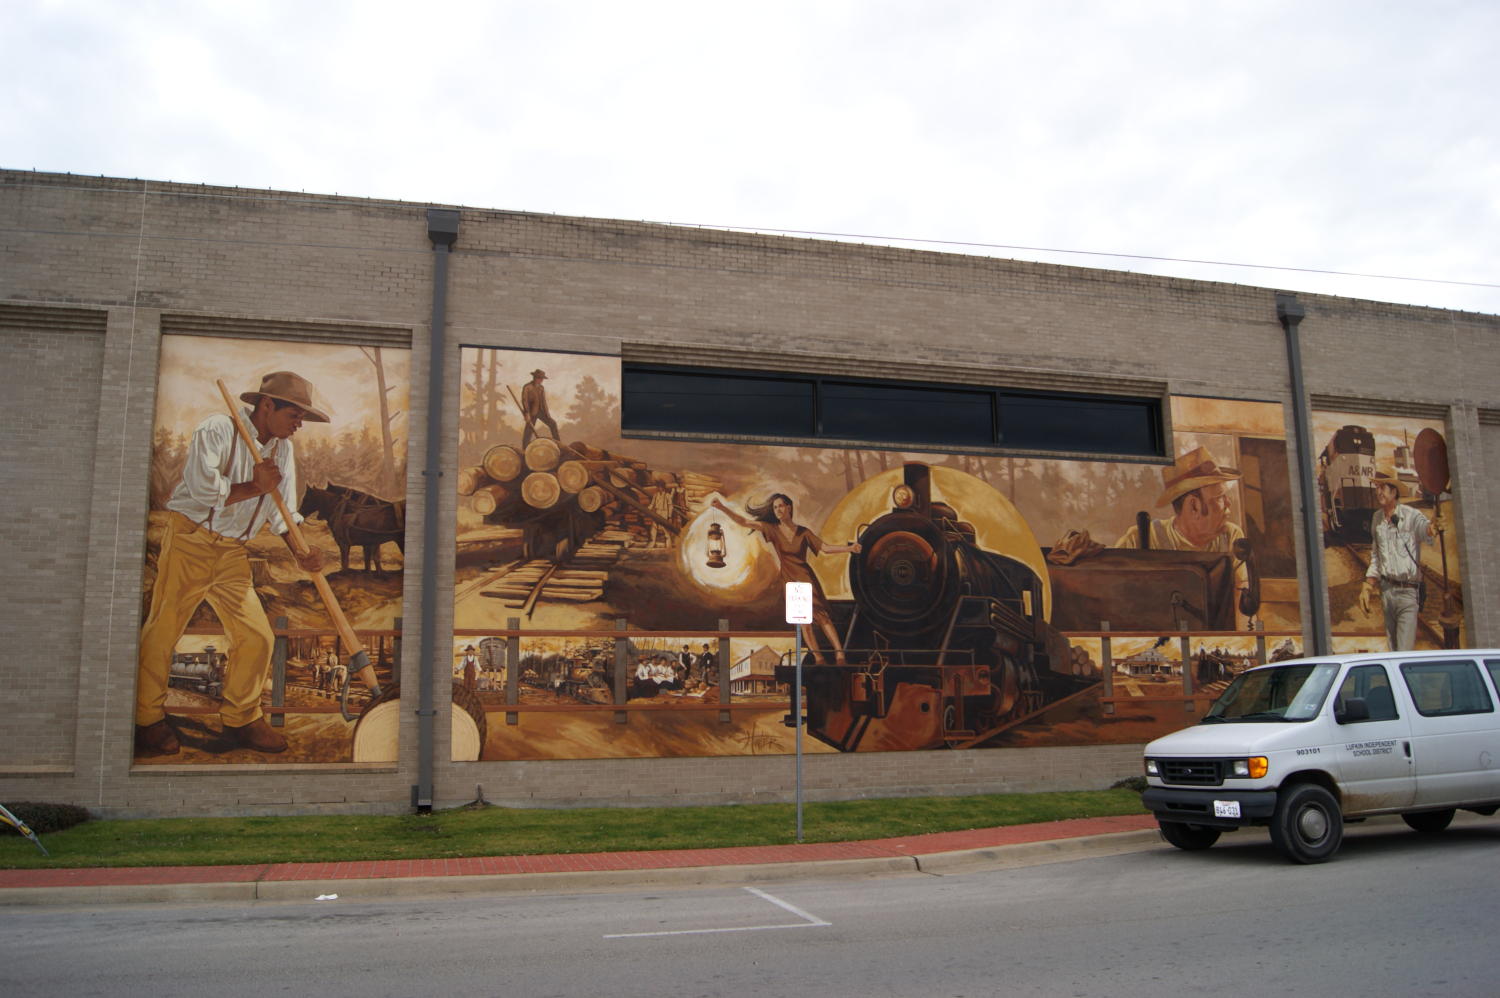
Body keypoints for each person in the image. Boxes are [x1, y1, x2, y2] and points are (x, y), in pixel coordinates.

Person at [135, 371, 328, 755]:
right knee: (163, 631)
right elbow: (204, 490)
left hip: (232, 553)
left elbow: (282, 513)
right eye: (295, 414)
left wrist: (301, 551)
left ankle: (240, 719)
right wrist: (254, 486)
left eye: (303, 417)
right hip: (191, 539)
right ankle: (146, 720)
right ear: (267, 405)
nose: (299, 424)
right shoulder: (218, 430)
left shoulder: (282, 451)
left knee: (257, 636)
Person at [711, 493, 861, 664]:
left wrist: (850, 549)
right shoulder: (772, 529)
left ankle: (839, 654)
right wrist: (722, 508)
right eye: (775, 508)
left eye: (780, 506)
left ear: (789, 507)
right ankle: (818, 658)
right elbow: (745, 522)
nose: (778, 510)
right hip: (789, 581)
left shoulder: (804, 532)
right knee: (803, 622)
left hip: (805, 578)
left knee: (822, 616)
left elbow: (825, 548)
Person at [1114, 446, 1252, 628]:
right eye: (1219, 497)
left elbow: (1241, 602)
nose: (1228, 503)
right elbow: (1117, 600)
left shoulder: (1232, 536)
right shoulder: (1139, 538)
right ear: (1193, 506)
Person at [1360, 471, 1437, 651]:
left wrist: (1433, 527)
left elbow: (1426, 530)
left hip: (1408, 592)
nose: (1379, 492)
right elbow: (1376, 556)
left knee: (1404, 653)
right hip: (1387, 592)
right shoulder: (1376, 518)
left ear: (1394, 492)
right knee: (1393, 651)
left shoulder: (1411, 515)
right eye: (1377, 487)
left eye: (1383, 488)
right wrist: (1368, 585)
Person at [520, 368, 559, 448]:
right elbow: (524, 401)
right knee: (528, 431)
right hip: (531, 413)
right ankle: (525, 448)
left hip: (541, 411)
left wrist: (548, 414)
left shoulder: (541, 388)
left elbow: (544, 402)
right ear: (535, 378)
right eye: (539, 378)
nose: (541, 380)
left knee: (553, 424)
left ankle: (558, 444)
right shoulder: (527, 387)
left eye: (542, 379)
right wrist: (527, 414)